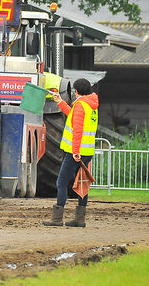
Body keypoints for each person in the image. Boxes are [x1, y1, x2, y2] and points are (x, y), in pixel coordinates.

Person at [43, 78, 99, 228]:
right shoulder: (91, 104)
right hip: (87, 151)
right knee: (82, 184)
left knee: (61, 182)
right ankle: (79, 219)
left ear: (77, 91)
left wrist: (75, 151)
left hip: (76, 152)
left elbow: (78, 130)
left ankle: (57, 218)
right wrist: (60, 101)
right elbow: (72, 115)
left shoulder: (81, 105)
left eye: (74, 90)